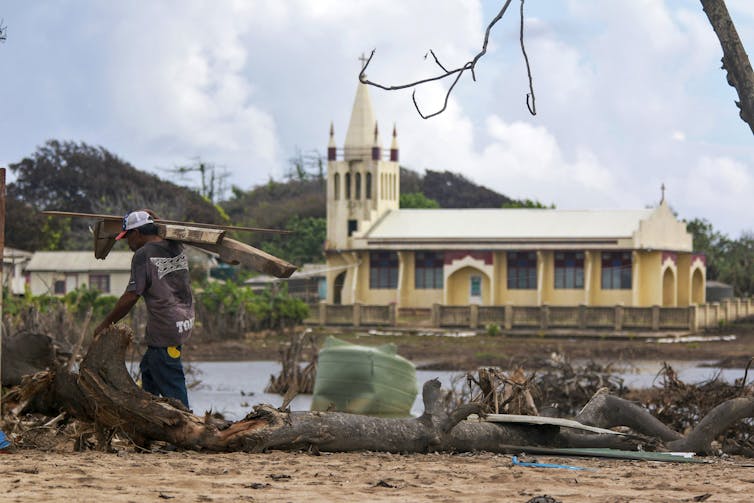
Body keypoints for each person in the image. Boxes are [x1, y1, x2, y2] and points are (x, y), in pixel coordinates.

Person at [93, 210, 194, 408]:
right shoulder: (176, 245)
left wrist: (105, 324)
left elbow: (131, 296)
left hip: (165, 328)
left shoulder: (143, 255)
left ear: (137, 233)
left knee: (172, 384)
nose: (128, 243)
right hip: (183, 322)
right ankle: (149, 417)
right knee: (149, 369)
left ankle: (188, 426)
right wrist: (152, 215)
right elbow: (162, 226)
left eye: (127, 237)